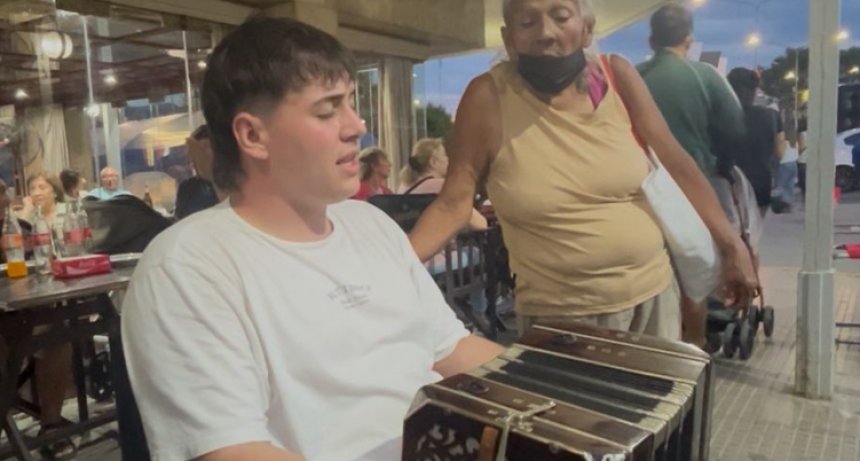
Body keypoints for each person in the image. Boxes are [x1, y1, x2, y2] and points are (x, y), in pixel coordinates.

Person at [121, 17, 503, 461]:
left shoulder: (369, 224)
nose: (356, 126)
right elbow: (231, 450)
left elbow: (451, 348)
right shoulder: (189, 266)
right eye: (327, 110)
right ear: (252, 135)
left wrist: (561, 404)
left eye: (352, 104)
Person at [409, 0, 758, 341]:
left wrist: (732, 246)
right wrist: (392, 264)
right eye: (527, 23)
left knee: (659, 401)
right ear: (508, 38)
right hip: (561, 318)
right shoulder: (487, 98)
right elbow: (453, 203)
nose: (546, 33)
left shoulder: (617, 76)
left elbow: (677, 164)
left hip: (653, 300)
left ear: (587, 28)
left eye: (561, 17)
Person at [638, 4, 749, 347]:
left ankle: (657, 346)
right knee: (693, 272)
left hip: (642, 191)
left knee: (653, 271)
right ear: (688, 39)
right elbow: (735, 130)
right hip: (692, 190)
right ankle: (695, 345)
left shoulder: (634, 77)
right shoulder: (704, 76)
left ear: (652, 39)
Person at [727, 67, 785, 217]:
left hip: (729, 184)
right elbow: (780, 152)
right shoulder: (772, 116)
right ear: (755, 90)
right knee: (754, 232)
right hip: (761, 184)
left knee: (732, 232)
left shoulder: (720, 115)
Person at [175, 125, 222, 219]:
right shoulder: (187, 188)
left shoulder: (231, 185)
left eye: (205, 149)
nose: (197, 158)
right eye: (193, 152)